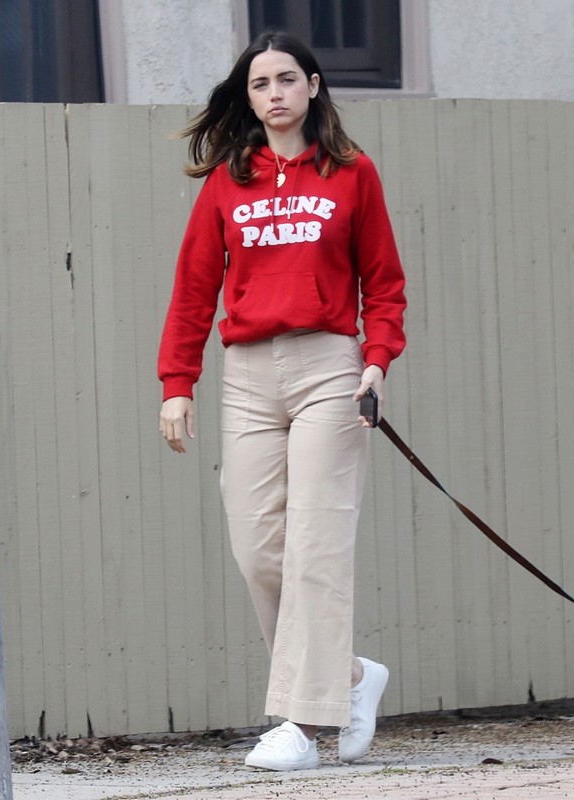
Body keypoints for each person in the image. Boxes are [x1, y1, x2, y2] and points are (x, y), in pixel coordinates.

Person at [157, 30, 407, 771]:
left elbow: (384, 283)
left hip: (332, 367)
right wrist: (178, 384)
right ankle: (354, 679)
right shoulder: (227, 184)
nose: (274, 94)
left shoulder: (353, 174)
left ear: (314, 87)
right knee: (258, 547)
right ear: (250, 97)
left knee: (316, 546)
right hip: (248, 376)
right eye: (260, 83)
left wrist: (377, 361)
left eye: (287, 79)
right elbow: (193, 290)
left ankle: (299, 725)